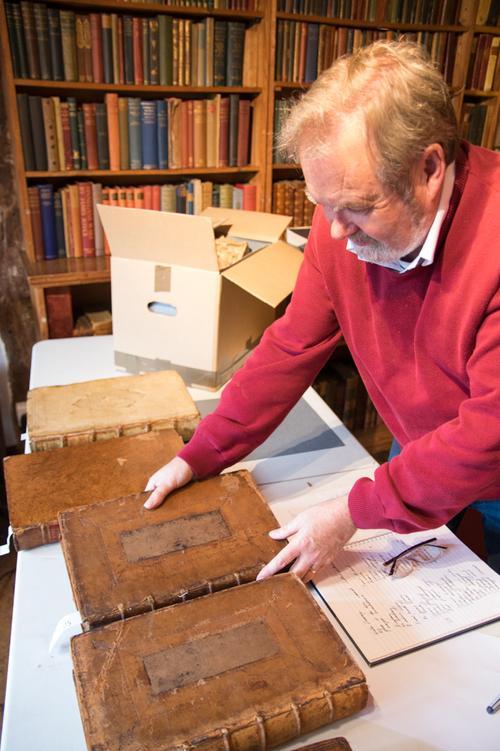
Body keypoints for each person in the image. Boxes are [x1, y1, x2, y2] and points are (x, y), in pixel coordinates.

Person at [144, 40, 500, 578]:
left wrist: (356, 511)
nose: (334, 231)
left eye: (356, 206)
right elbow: (291, 345)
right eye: (323, 204)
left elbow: (490, 433)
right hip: (424, 450)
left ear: (429, 168)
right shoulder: (343, 219)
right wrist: (201, 452)